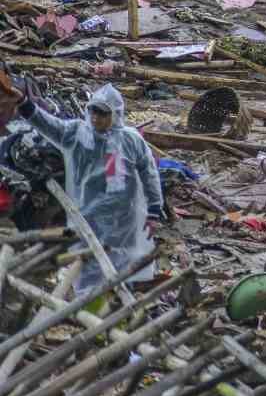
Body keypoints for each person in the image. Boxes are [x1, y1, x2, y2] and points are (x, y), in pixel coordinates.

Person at [0, 73, 163, 293]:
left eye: (103, 113)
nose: (96, 118)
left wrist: (154, 210)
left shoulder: (131, 140)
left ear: (115, 115)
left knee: (125, 264)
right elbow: (46, 123)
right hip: (88, 216)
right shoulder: (76, 134)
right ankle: (89, 303)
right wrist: (23, 103)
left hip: (125, 218)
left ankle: (122, 297)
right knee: (88, 264)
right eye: (93, 111)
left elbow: (149, 174)